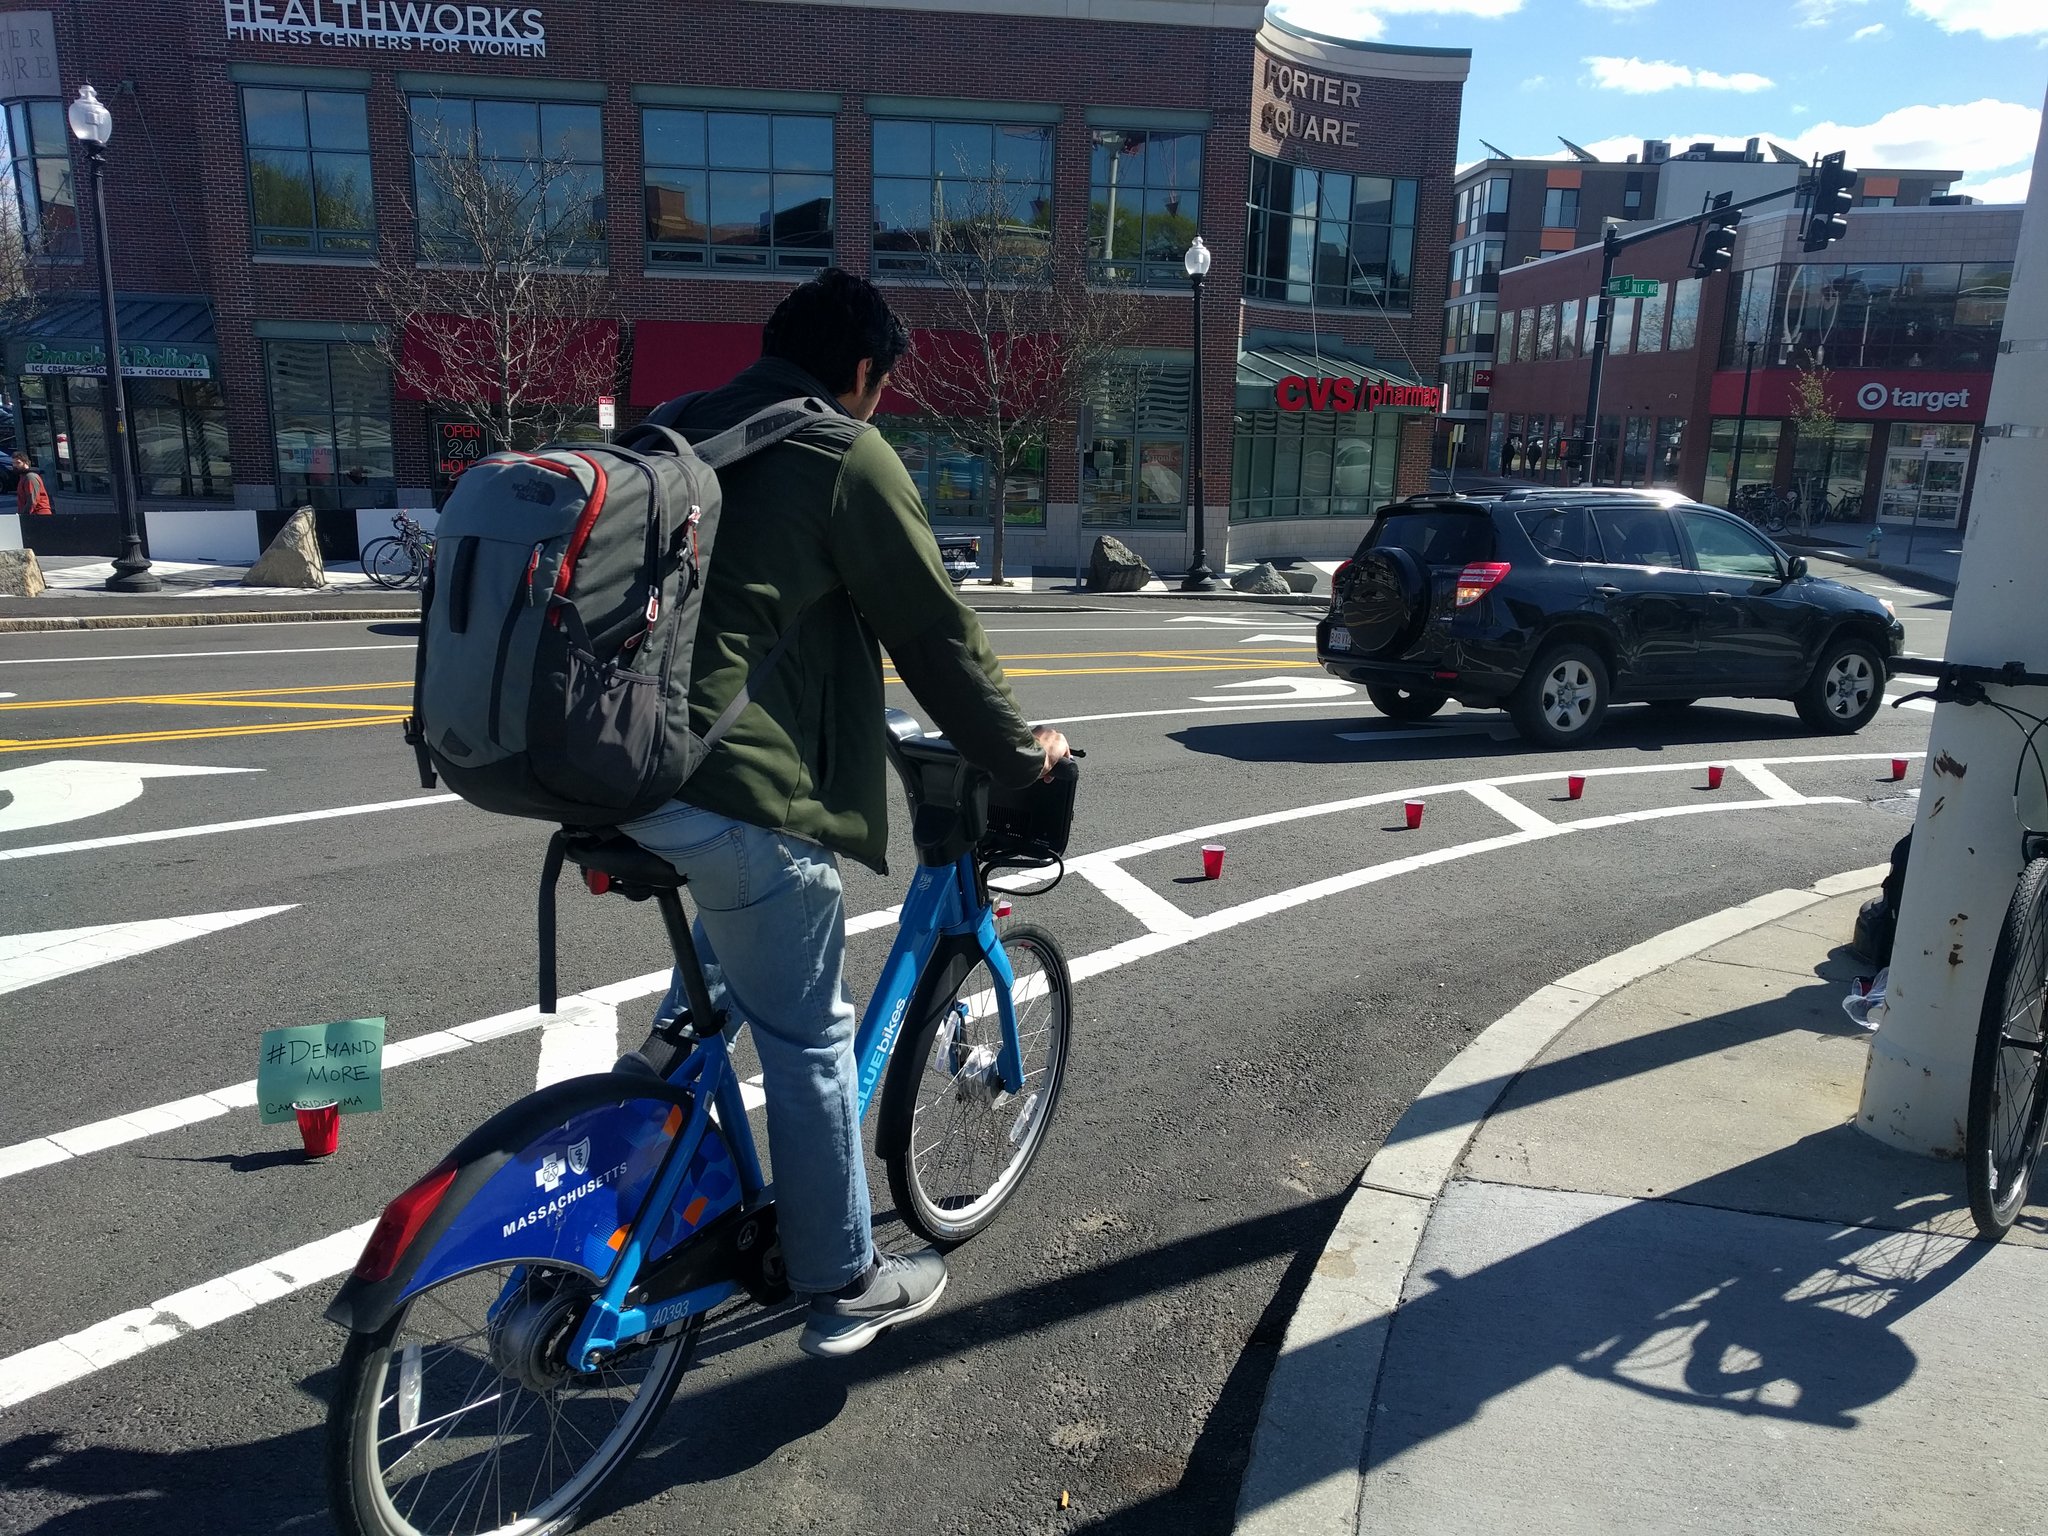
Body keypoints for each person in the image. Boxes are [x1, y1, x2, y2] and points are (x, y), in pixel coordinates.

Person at [620, 269, 1069, 1359]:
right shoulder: (838, 451)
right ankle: (837, 1278)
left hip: (611, 772)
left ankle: (621, 1180)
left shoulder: (678, 429)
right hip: (734, 792)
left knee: (711, 995)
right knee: (813, 1034)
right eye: (879, 389)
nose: (876, 408)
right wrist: (1020, 758)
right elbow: (937, 638)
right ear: (862, 372)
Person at [13, 452, 50, 518]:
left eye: (18, 463)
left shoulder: (30, 477)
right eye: (13, 463)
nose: (15, 465)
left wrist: (23, 516)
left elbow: (32, 500)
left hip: (39, 515)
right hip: (32, 515)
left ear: (26, 463)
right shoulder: (23, 477)